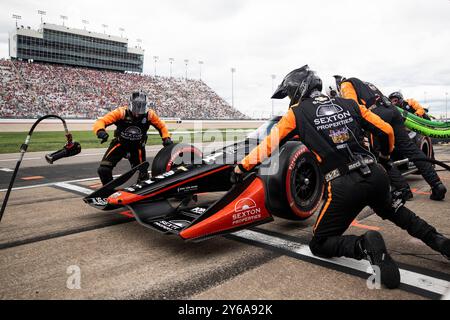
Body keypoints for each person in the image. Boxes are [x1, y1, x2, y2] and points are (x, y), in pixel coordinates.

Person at [234, 66, 450, 289]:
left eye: (289, 93)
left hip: (343, 185)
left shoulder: (296, 113)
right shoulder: (349, 103)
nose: (289, 98)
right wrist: (385, 155)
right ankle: (440, 242)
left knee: (319, 243)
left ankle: (363, 245)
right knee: (399, 213)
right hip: (376, 176)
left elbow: (269, 145)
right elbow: (386, 130)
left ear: (298, 90)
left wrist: (242, 167)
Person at [331, 76, 446, 201]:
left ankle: (403, 190)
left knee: (381, 157)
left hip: (378, 116)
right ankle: (437, 185)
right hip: (393, 111)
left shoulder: (345, 85)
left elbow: (352, 107)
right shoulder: (365, 83)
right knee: (411, 150)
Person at [93, 91, 173, 185]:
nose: (138, 111)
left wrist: (166, 138)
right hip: (120, 144)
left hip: (137, 147)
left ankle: (142, 193)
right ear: (130, 104)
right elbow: (102, 121)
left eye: (142, 106)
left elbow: (161, 126)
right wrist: (100, 131)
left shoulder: (150, 115)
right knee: (103, 169)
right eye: (136, 106)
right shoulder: (121, 112)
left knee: (142, 175)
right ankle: (108, 191)